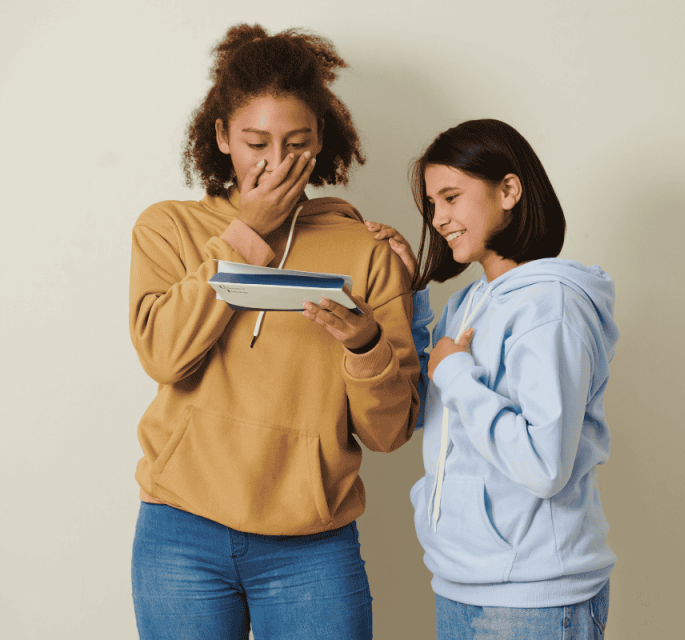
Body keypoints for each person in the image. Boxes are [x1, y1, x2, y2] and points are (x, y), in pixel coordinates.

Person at [128, 24, 419, 640]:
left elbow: (390, 432)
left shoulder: (363, 250)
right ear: (221, 137)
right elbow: (164, 356)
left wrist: (366, 347)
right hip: (180, 532)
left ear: (321, 142)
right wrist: (246, 235)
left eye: (297, 143)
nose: (276, 162)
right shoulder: (168, 229)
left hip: (311, 543)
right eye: (256, 141)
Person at [366, 118, 617, 638]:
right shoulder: (469, 302)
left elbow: (544, 464)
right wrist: (410, 294)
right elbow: (429, 416)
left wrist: (455, 373)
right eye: (432, 205)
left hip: (533, 597)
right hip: (462, 581)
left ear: (508, 190)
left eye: (452, 197)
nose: (438, 218)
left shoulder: (551, 305)